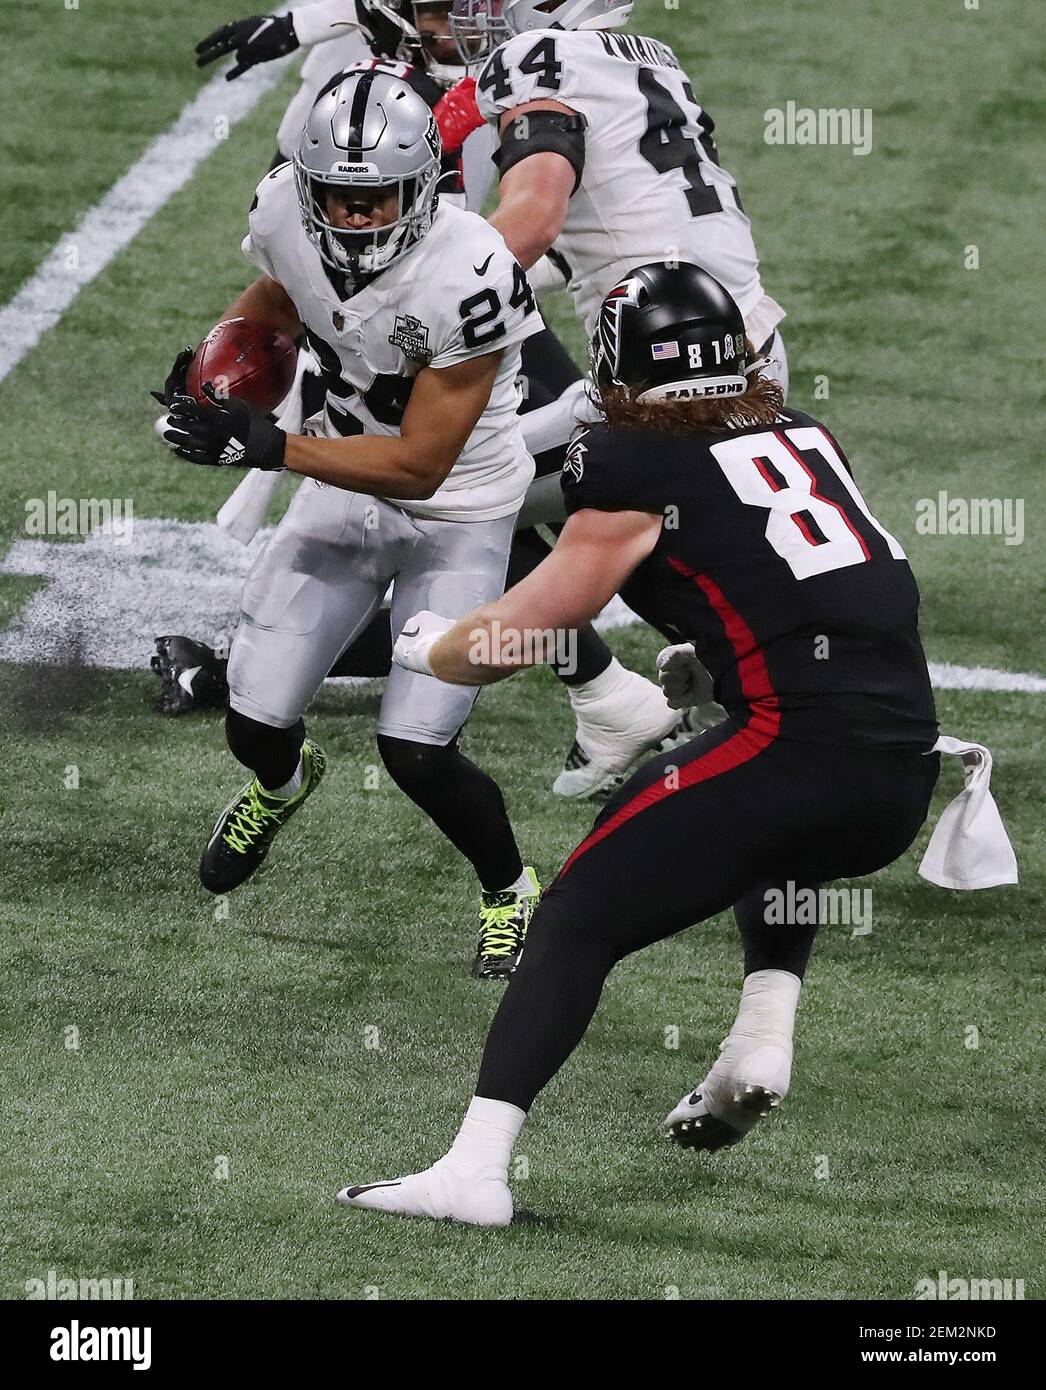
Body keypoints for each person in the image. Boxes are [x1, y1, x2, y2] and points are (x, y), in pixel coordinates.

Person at [335, 261, 944, 1225]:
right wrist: (723, 668)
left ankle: (474, 1171)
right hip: (902, 771)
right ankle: (761, 1032)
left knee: (577, 913)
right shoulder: (804, 434)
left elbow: (516, 636)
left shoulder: (629, 459)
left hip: (800, 754)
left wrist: (432, 646)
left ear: (622, 373)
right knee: (774, 820)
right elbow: (823, 596)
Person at [162, 70, 545, 979]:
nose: (358, 217)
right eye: (339, 195)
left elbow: (421, 464)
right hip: (342, 484)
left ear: (421, 188)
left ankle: (510, 885)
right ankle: (283, 784)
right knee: (254, 722)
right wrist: (224, 367)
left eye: (378, 199)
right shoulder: (284, 211)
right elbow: (278, 293)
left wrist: (267, 444)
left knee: (415, 749)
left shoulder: (473, 271)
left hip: (457, 511)